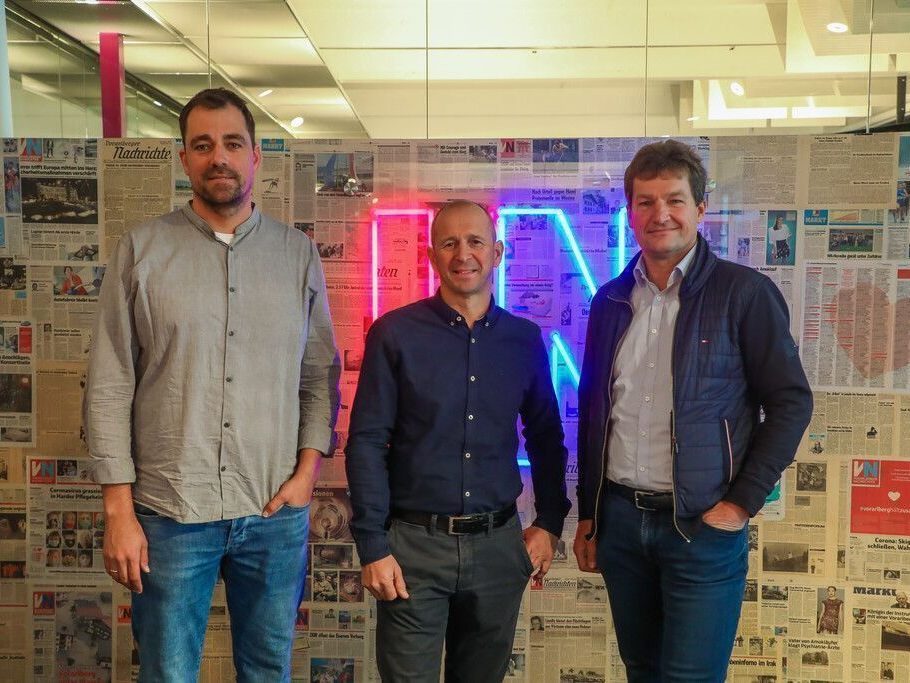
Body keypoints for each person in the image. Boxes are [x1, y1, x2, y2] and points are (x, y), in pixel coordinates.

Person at [84, 87, 340, 682]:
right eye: (202, 145)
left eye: (232, 143)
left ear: (255, 155)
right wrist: (118, 511)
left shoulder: (297, 255)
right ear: (184, 158)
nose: (218, 157)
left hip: (273, 512)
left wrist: (307, 475)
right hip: (170, 512)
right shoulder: (141, 252)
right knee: (167, 674)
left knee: (267, 672)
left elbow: (318, 376)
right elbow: (110, 383)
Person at [573, 140, 812, 682]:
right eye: (646, 202)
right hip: (621, 523)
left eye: (674, 200)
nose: (660, 214)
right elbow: (594, 412)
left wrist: (741, 503)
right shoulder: (609, 300)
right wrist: (590, 514)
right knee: (642, 670)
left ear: (701, 209)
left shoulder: (744, 293)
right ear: (630, 213)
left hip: (701, 528)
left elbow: (791, 401)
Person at [346, 200, 570, 682]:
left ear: (497, 253)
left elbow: (546, 437)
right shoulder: (395, 334)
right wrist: (372, 546)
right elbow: (366, 442)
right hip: (412, 549)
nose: (462, 254)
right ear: (432, 256)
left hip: (498, 549)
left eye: (475, 242)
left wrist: (550, 522)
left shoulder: (523, 339)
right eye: (449, 243)